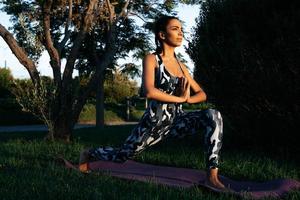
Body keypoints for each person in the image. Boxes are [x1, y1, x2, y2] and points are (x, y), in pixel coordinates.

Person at [79, 15, 226, 190]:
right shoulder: (152, 59)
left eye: (181, 29)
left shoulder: (181, 66)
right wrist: (179, 98)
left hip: (177, 122)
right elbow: (148, 90)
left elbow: (202, 94)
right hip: (153, 124)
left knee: (213, 115)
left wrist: (187, 99)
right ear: (162, 35)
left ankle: (212, 176)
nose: (180, 33)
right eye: (175, 29)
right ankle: (89, 153)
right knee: (123, 155)